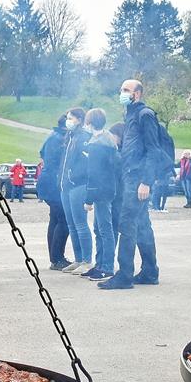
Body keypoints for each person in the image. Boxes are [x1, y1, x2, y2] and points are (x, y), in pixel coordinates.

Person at [99, 79, 162, 290]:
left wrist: (146, 181)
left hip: (138, 179)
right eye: (121, 89)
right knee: (142, 225)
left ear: (137, 94)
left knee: (126, 224)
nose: (122, 93)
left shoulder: (145, 115)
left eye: (126, 90)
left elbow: (154, 150)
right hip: (131, 176)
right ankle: (150, 272)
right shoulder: (131, 115)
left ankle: (124, 275)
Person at [82, 108, 119, 281]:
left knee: (104, 230)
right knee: (100, 229)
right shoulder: (107, 140)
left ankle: (107, 267)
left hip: (101, 191)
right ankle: (100, 264)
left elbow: (93, 173)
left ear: (89, 123)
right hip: (109, 188)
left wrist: (88, 199)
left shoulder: (96, 145)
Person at [59, 107, 93, 274]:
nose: (68, 120)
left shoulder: (84, 137)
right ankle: (78, 259)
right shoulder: (70, 136)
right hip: (66, 185)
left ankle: (87, 260)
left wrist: (74, 176)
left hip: (78, 185)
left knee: (80, 224)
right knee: (71, 224)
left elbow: (87, 163)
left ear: (79, 119)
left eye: (70, 117)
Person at [38, 115, 72, 271]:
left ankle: (55, 257)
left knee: (55, 219)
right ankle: (57, 258)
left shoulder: (52, 136)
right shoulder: (60, 139)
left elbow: (42, 153)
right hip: (54, 182)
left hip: (47, 181)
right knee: (63, 220)